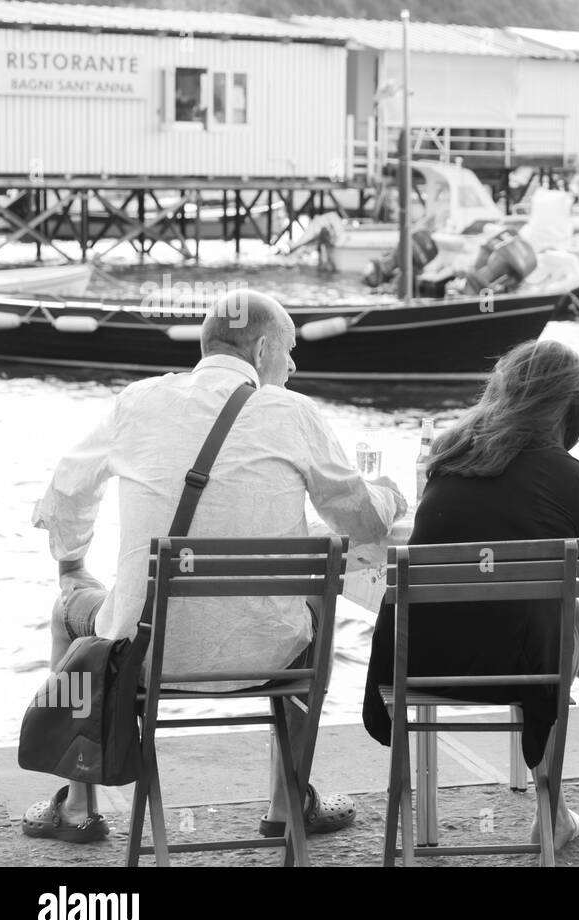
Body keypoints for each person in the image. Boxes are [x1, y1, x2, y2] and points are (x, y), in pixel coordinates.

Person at [28, 290, 407, 843]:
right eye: (290, 350)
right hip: (271, 659)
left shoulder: (136, 401)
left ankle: (79, 805)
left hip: (140, 655)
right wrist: (391, 496)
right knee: (316, 602)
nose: (294, 365)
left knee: (67, 612)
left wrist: (72, 567)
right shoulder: (295, 413)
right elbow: (365, 522)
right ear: (260, 350)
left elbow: (64, 494)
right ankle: (287, 802)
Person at [362, 338, 579, 850]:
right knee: (558, 612)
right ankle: (553, 815)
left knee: (556, 605)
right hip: (524, 675)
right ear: (572, 407)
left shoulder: (448, 457)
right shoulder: (573, 479)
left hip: (411, 667)